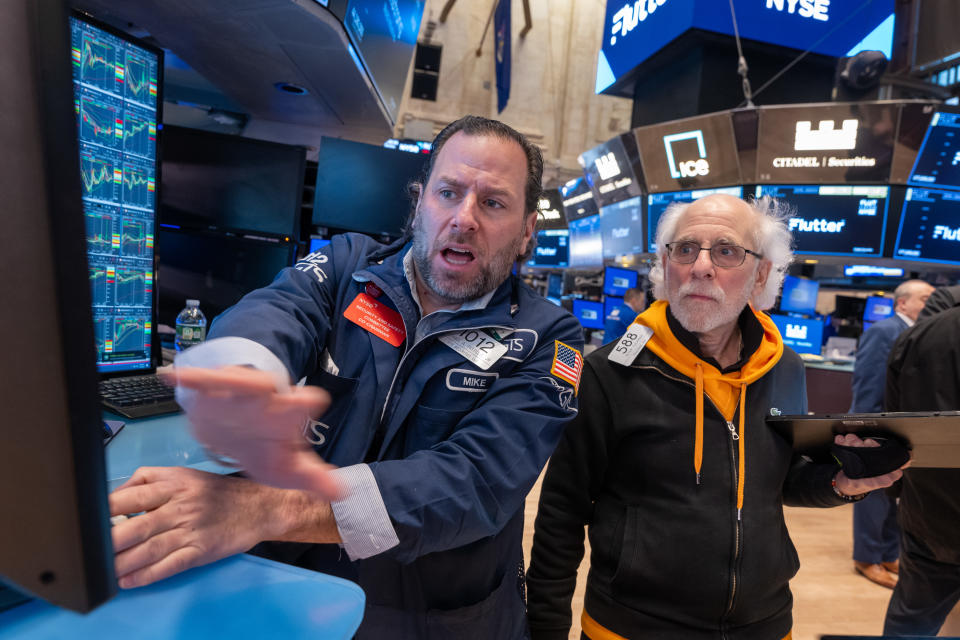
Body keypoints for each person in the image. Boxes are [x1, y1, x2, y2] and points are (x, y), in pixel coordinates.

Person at [108, 115, 584, 639]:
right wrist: (241, 376)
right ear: (419, 202)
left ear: (526, 233)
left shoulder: (548, 337)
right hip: (289, 595)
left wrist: (265, 508)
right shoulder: (347, 266)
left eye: (493, 203)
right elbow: (277, 311)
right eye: (449, 192)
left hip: (430, 619)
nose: (464, 218)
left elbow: (474, 483)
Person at [526, 193, 906, 640]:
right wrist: (546, 629)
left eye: (726, 251)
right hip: (631, 625)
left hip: (765, 623)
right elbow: (561, 513)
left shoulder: (784, 368)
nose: (701, 266)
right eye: (685, 249)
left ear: (761, 272)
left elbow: (779, 482)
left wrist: (842, 484)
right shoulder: (610, 372)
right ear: (666, 265)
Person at [883, 284, 960, 637]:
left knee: (911, 620)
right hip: (927, 512)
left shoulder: (917, 337)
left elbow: (895, 427)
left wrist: (897, 490)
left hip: (929, 513)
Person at [849, 279, 934, 589]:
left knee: (893, 495)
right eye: (925, 299)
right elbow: (867, 384)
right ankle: (866, 558)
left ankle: (887, 553)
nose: (931, 304)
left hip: (903, 427)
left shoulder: (918, 333)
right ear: (902, 304)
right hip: (877, 428)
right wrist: (865, 431)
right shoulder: (884, 331)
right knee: (872, 496)